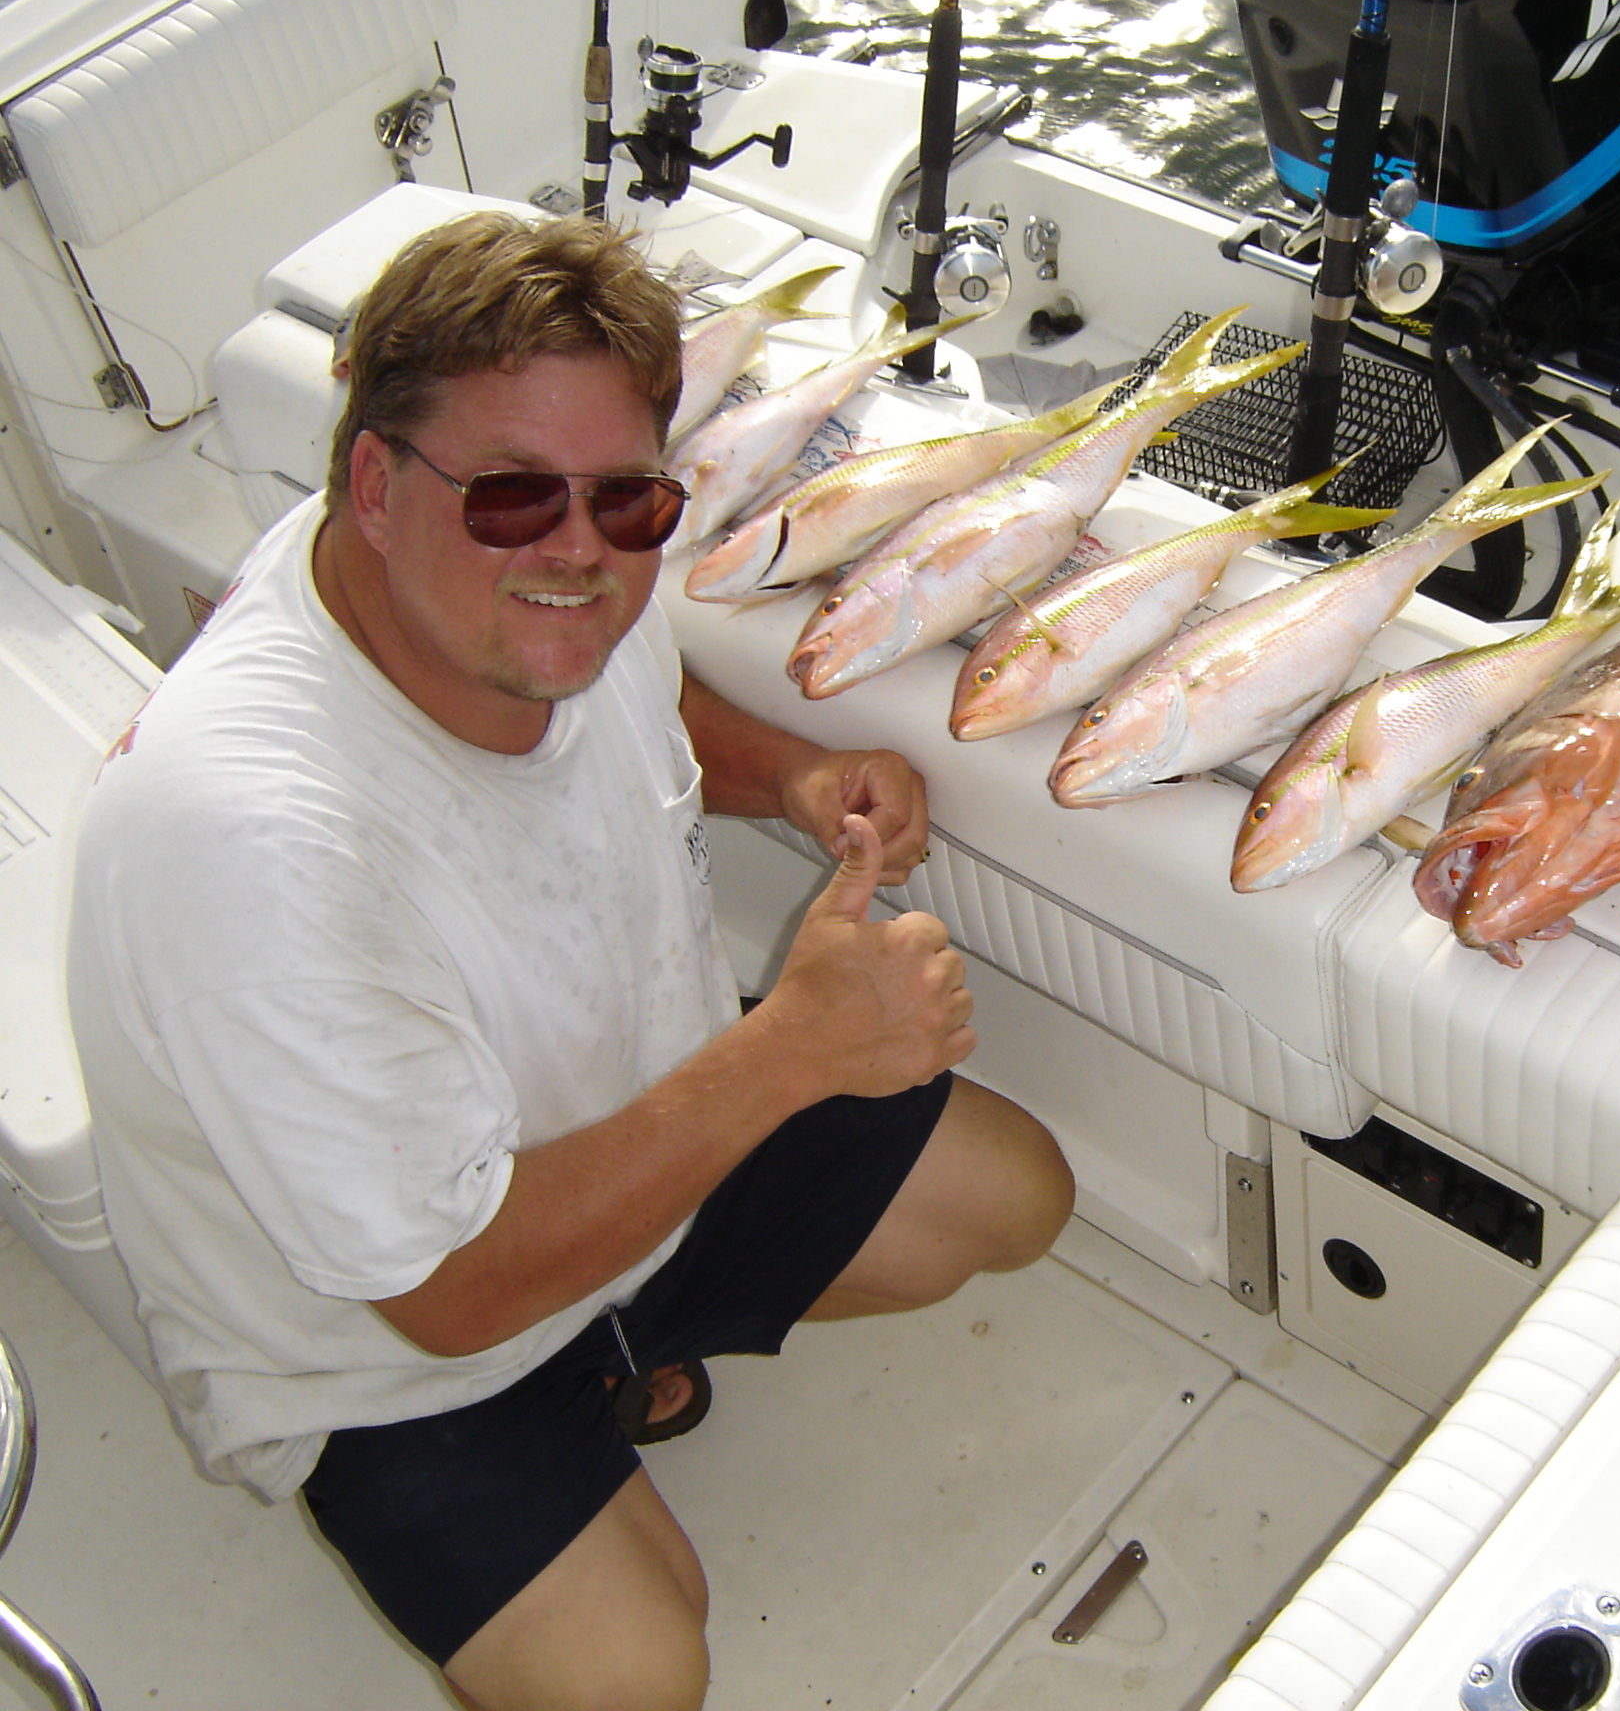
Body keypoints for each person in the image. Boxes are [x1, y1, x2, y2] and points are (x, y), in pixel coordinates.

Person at [66, 211, 1073, 1710]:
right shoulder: (255, 845)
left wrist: (789, 775)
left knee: (1013, 1201)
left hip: (627, 1143)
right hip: (390, 1351)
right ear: (370, 482)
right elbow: (449, 1295)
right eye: (513, 498)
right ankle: (578, 1407)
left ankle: (628, 1344)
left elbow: (633, 699)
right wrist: (792, 1050)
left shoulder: (520, 577)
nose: (577, 554)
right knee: (634, 1677)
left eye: (629, 501)